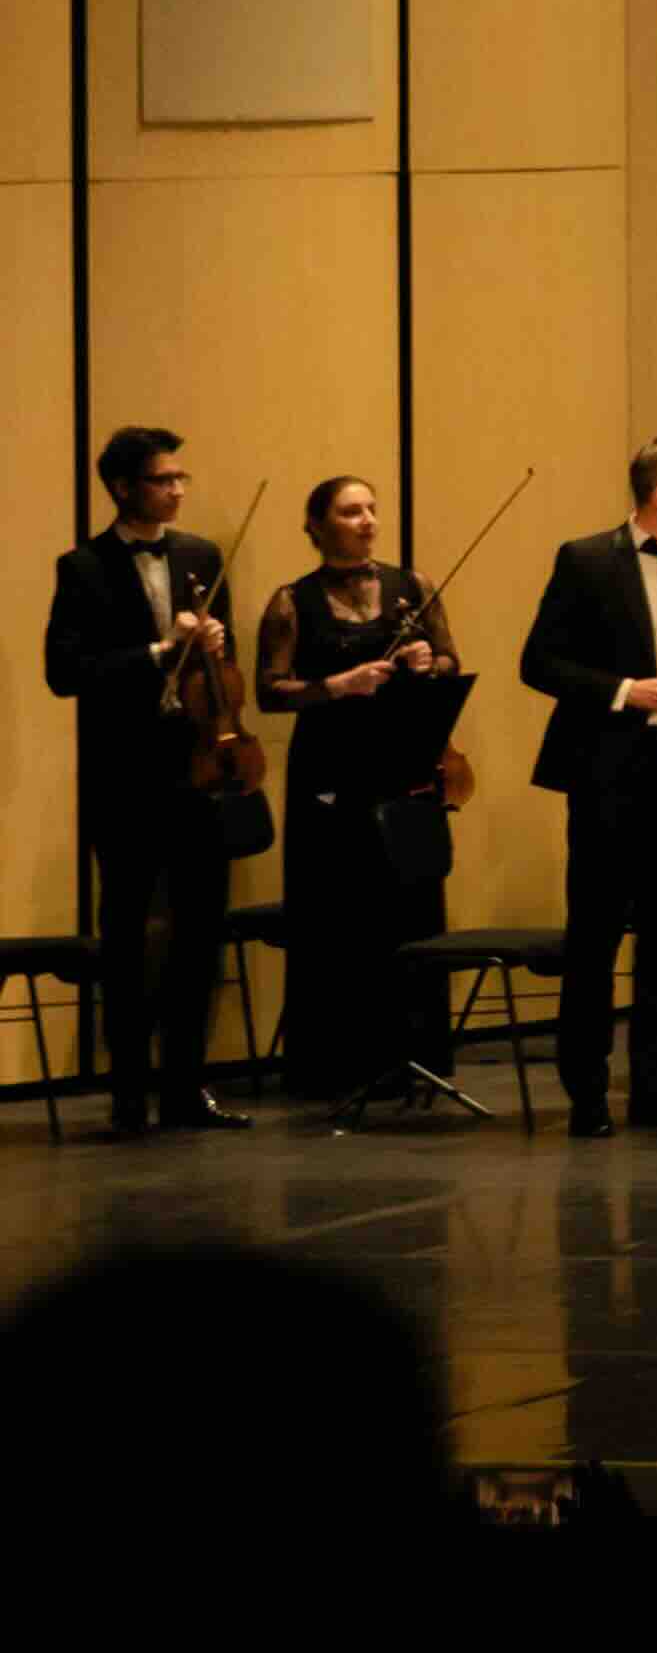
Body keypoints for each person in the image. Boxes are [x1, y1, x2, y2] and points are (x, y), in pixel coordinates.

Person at [517, 436, 657, 1136]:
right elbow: (539, 662)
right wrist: (624, 690)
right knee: (594, 937)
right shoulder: (586, 560)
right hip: (609, 770)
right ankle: (587, 1094)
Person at [44, 425, 249, 1136]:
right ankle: (128, 1092)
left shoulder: (201, 555)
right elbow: (65, 673)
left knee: (200, 932)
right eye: (163, 480)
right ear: (123, 487)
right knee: (127, 935)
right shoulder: (83, 567)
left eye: (180, 478)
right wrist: (160, 650)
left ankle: (187, 1088)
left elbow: (224, 660)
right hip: (126, 775)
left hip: (200, 765)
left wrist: (216, 641)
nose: (177, 490)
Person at [256, 477, 455, 1112]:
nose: (367, 520)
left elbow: (450, 662)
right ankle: (337, 1064)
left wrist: (427, 663)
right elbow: (269, 691)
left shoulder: (413, 586)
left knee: (409, 907)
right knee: (338, 912)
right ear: (317, 525)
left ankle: (413, 1057)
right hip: (330, 772)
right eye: (350, 512)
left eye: (371, 509)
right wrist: (339, 686)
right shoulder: (292, 601)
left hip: (402, 764)